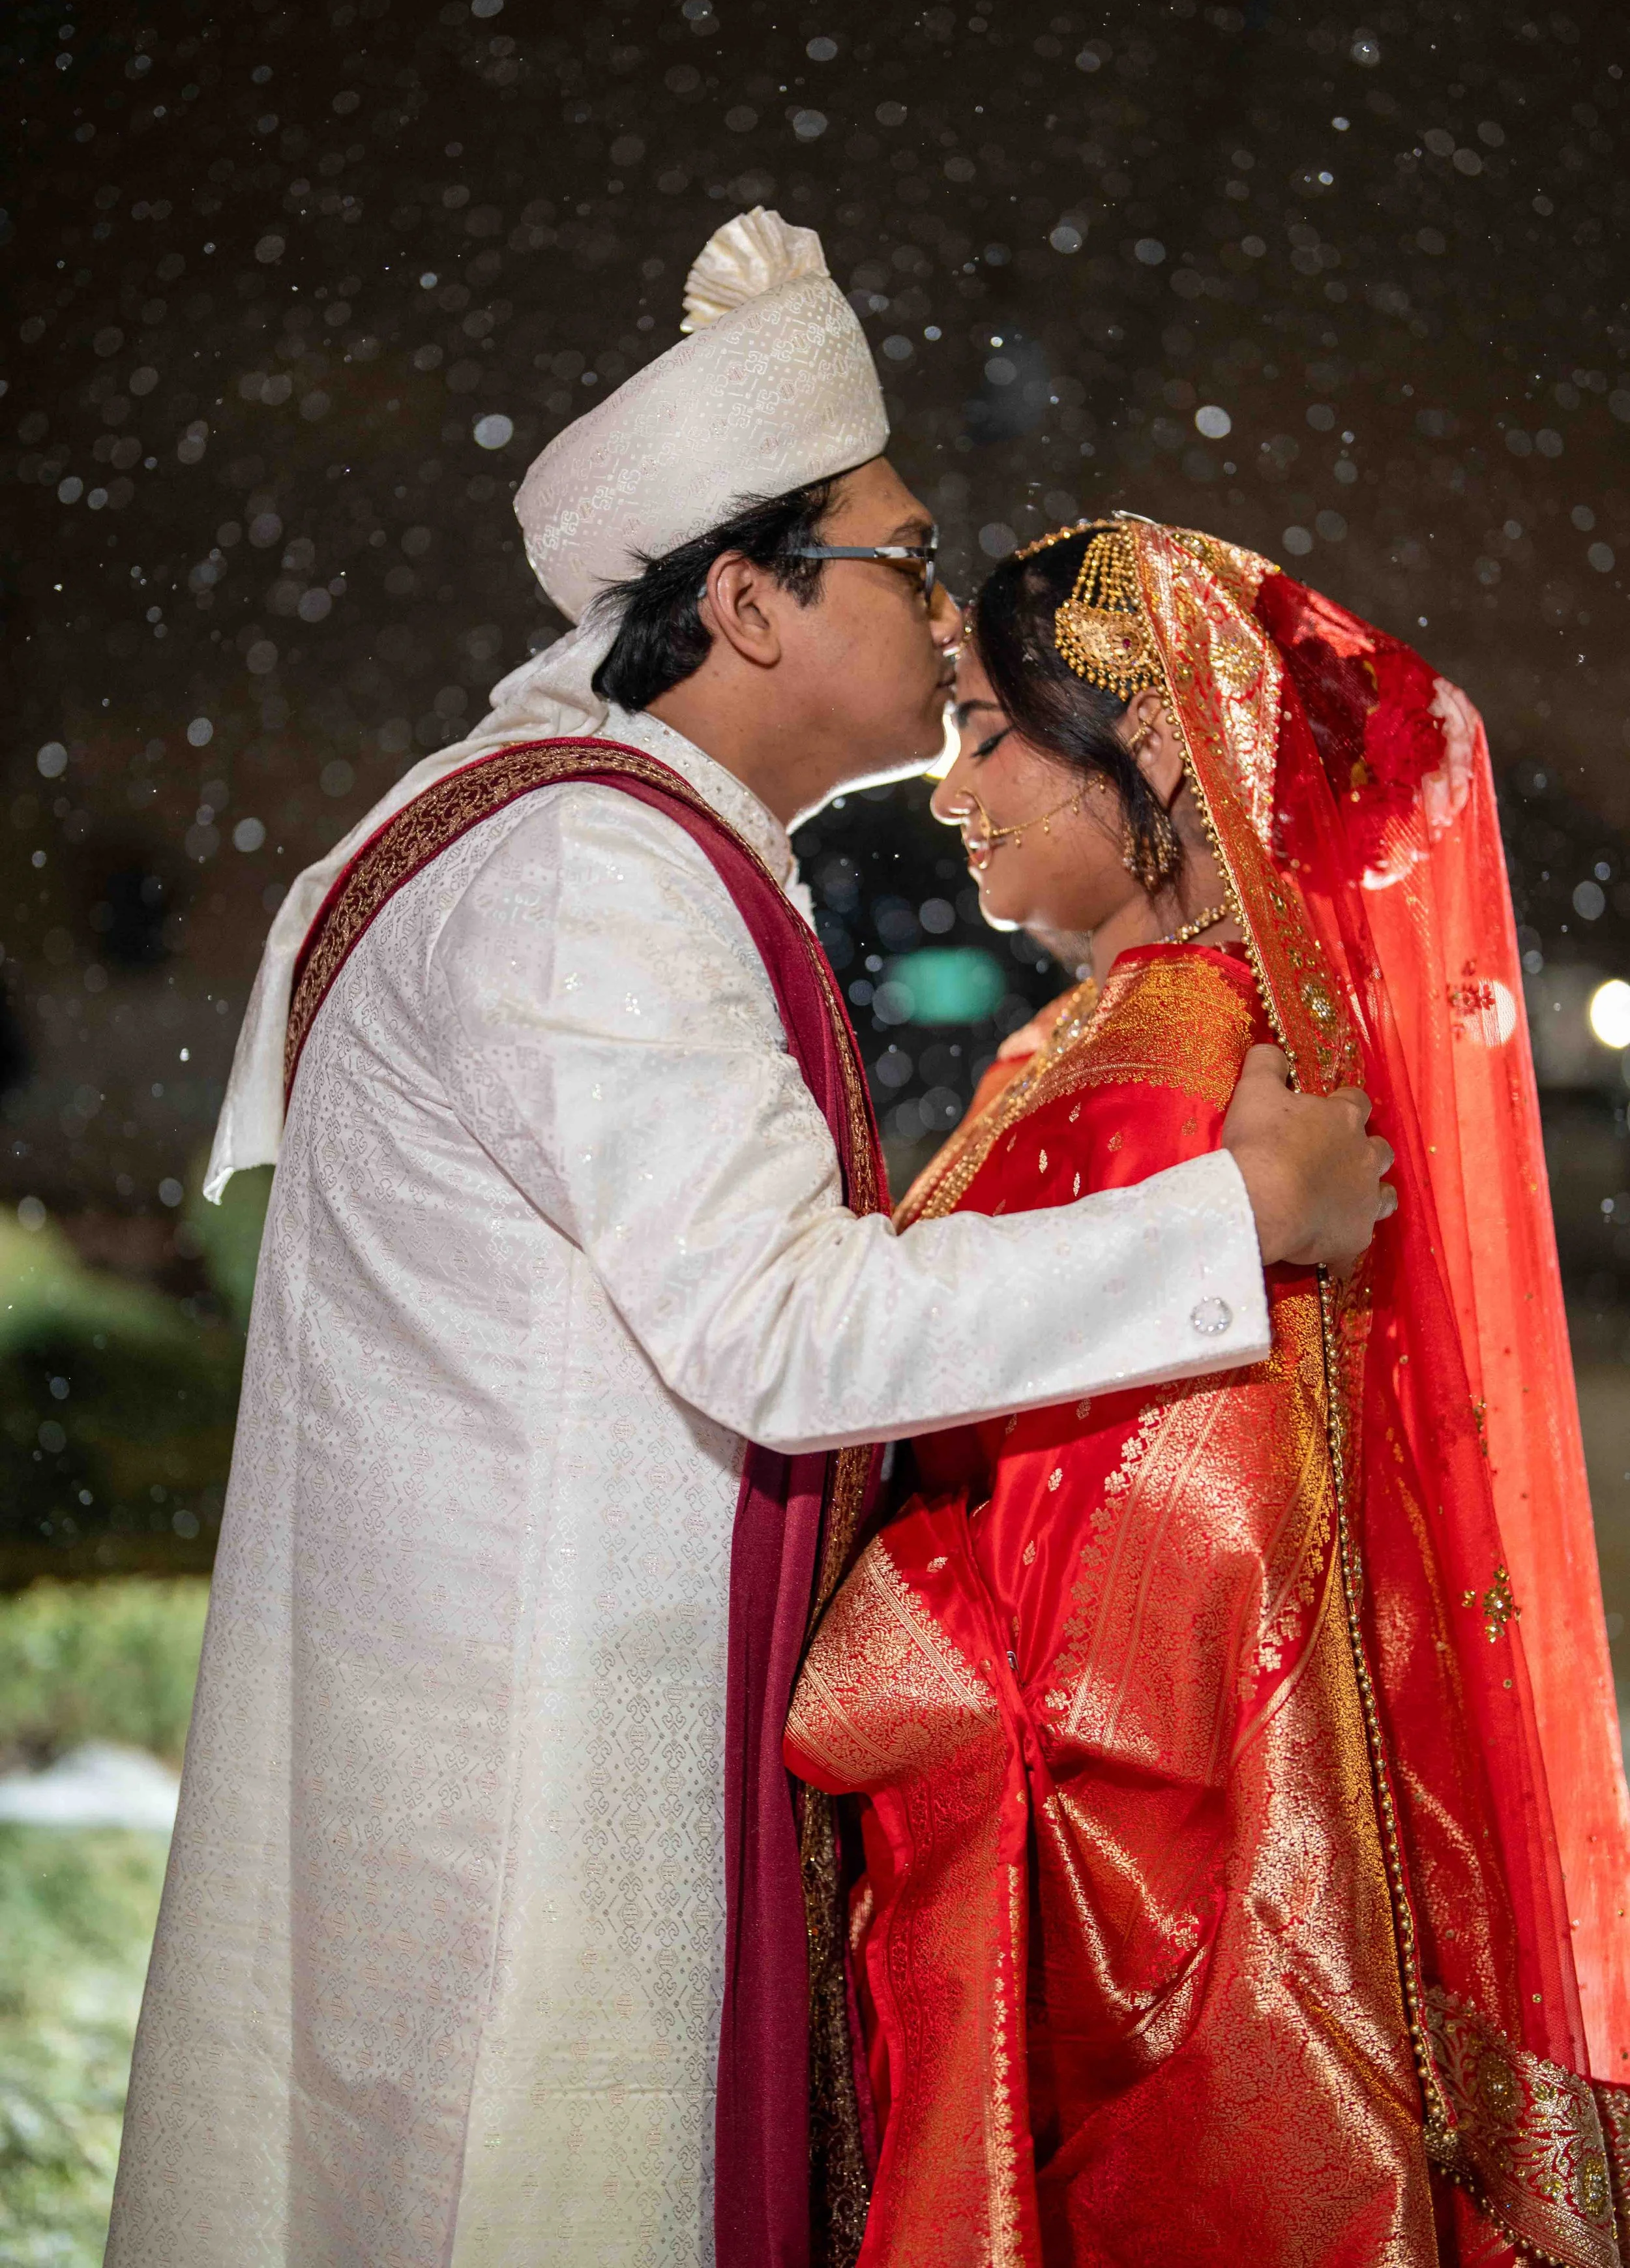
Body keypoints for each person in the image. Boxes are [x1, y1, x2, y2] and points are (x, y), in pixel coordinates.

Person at [106, 226, 1391, 2268]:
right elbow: (783, 1326)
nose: (949, 617)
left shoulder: (594, 834)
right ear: (742, 601)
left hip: (513, 1724)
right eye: (901, 559)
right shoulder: (584, 873)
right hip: (533, 1792)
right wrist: (1248, 1211)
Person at [786, 515, 1630, 2268]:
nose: (954, 787)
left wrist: (882, 1653)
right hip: (1243, 1875)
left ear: (1157, 738)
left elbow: (1176, 1540)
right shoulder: (1243, 1033)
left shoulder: (1162, 1048)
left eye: (990, 730)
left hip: (1155, 1937)